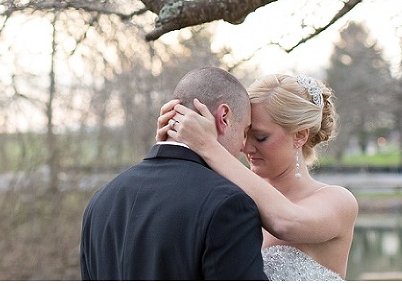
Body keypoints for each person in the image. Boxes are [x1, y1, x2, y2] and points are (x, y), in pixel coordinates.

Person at [157, 73, 358, 280]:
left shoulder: (339, 201)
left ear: (300, 135)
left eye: (261, 137)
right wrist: (171, 149)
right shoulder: (228, 197)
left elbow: (286, 223)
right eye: (245, 133)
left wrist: (208, 145)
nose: (245, 147)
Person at [80, 67, 269, 280]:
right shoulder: (229, 205)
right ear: (224, 117)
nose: (244, 145)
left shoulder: (100, 200)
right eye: (245, 131)